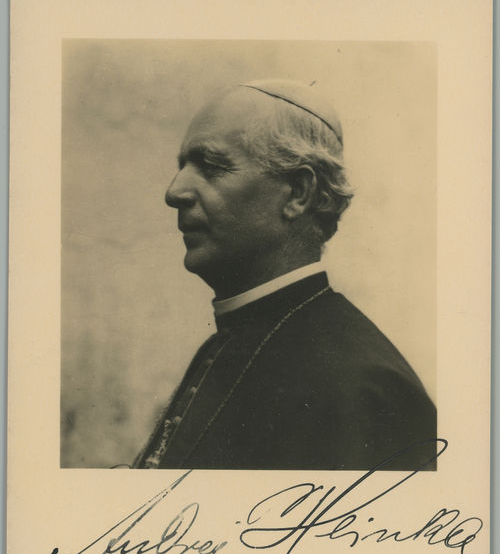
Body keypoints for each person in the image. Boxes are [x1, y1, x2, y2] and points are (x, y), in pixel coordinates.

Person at [133, 79, 436, 471]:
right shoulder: (226, 343)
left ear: (298, 193)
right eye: (182, 168)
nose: (174, 192)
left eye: (211, 167)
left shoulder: (363, 386)